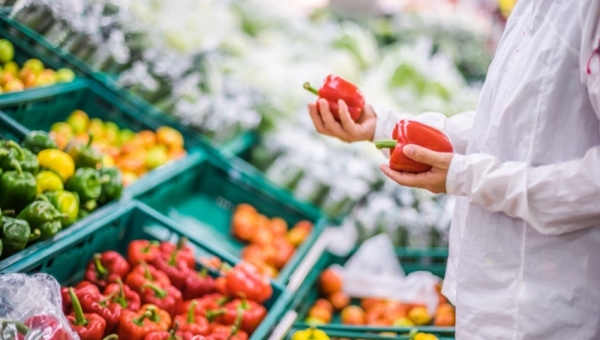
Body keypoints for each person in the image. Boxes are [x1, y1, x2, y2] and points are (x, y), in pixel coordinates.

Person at [307, 1, 600, 339]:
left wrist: (469, 176)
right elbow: (513, 128)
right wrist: (384, 127)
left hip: (550, 306)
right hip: (500, 292)